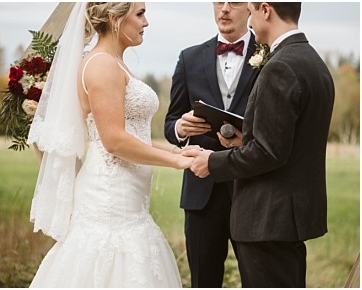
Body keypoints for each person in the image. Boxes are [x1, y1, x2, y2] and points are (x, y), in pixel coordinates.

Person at [26, 2, 195, 287]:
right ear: (116, 19)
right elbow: (114, 140)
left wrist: (177, 150)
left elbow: (133, 132)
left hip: (129, 199)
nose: (146, 22)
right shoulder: (101, 64)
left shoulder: (114, 62)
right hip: (109, 198)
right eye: (140, 14)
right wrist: (176, 161)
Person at [185, 3, 334, 287]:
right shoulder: (313, 61)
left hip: (267, 220)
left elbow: (266, 153)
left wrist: (211, 162)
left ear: (266, 10)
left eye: (251, 9)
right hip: (287, 220)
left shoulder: (280, 67)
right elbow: (288, 142)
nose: (250, 20)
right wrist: (247, 140)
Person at [163, 2, 254, 287]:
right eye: (219, 2)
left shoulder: (271, 56)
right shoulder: (189, 58)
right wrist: (180, 127)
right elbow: (170, 124)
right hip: (201, 194)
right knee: (203, 281)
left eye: (235, 2)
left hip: (252, 190)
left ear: (251, 7)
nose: (224, 9)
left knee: (258, 279)